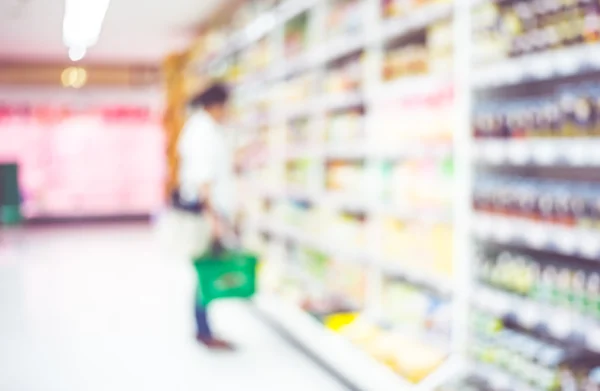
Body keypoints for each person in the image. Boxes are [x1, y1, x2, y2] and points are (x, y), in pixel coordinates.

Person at [175, 82, 236, 350]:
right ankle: (204, 330)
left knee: (203, 272)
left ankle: (204, 328)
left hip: (206, 209)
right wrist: (213, 219)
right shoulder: (203, 131)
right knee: (205, 272)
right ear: (217, 105)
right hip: (205, 211)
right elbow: (204, 179)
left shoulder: (202, 128)